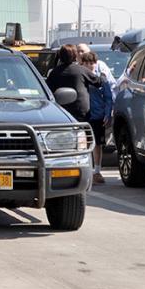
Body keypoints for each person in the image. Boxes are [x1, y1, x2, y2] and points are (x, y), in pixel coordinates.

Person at [81, 50, 113, 185]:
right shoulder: (80, 77)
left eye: (92, 63)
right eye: (86, 63)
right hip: (83, 115)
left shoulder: (102, 78)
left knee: (97, 144)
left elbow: (108, 97)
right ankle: (86, 171)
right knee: (83, 144)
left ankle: (97, 171)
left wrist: (107, 113)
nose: (89, 66)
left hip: (98, 115)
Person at [45, 44, 101, 119]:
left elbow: (47, 90)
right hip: (81, 111)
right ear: (75, 56)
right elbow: (98, 82)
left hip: (61, 111)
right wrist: (102, 74)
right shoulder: (81, 70)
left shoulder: (54, 72)